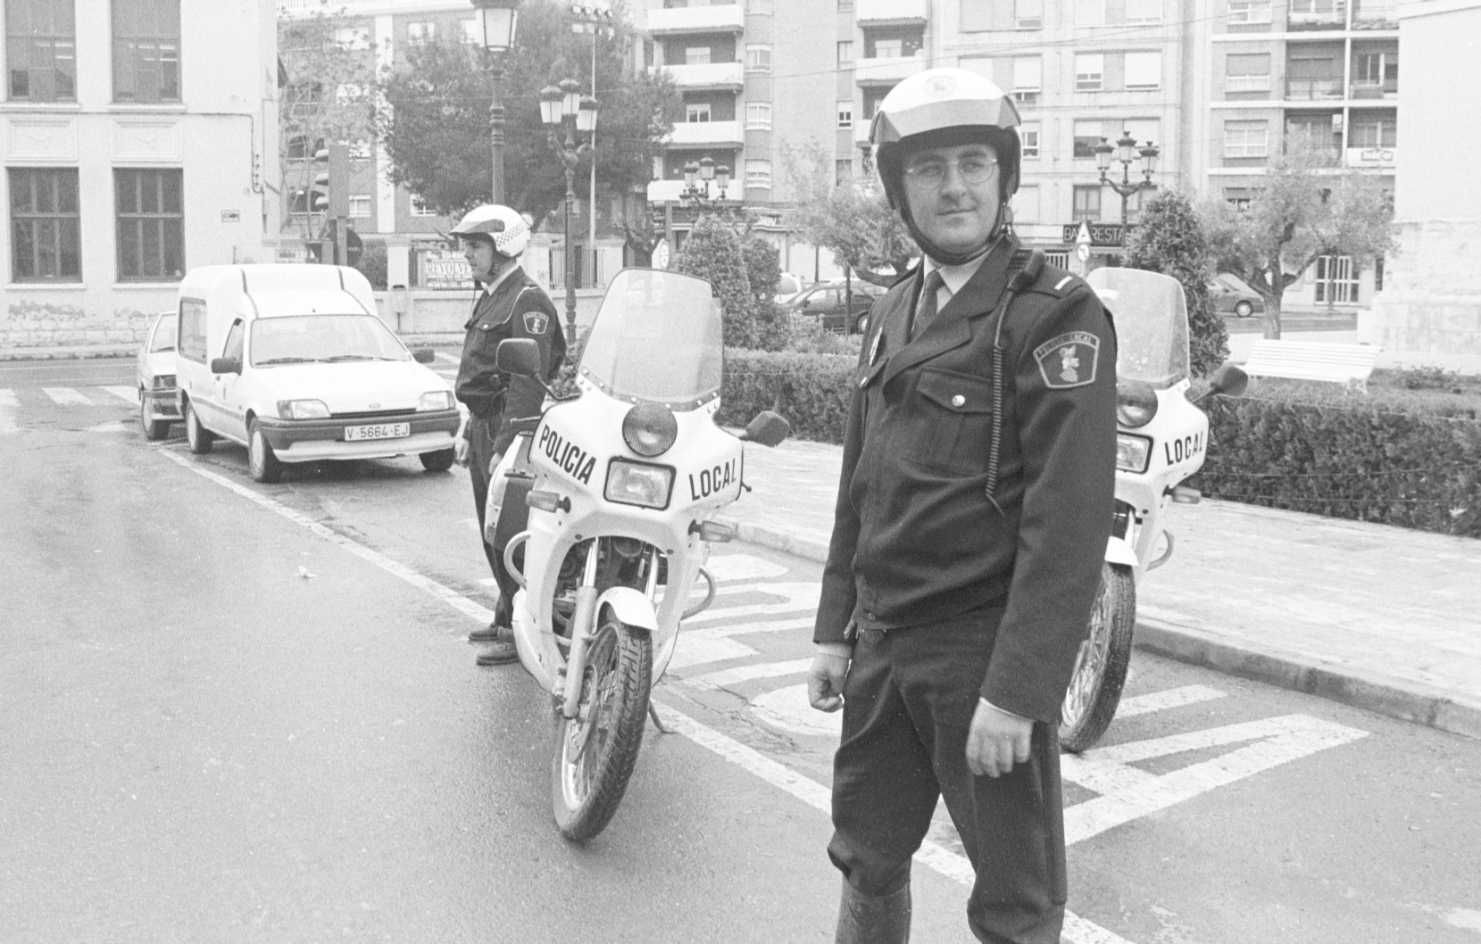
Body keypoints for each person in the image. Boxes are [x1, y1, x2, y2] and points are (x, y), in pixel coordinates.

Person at [806, 68, 1117, 943]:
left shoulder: (1053, 316)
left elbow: (1069, 523)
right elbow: (860, 484)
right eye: (929, 169)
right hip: (884, 642)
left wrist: (1017, 693)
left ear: (1003, 176)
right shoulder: (893, 309)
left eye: (973, 163)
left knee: (1013, 901)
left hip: (980, 652)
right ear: (898, 189)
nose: (954, 187)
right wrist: (835, 629)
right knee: (864, 853)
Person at [449, 204, 566, 667]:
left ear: (504, 246)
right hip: (483, 423)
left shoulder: (526, 300)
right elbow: (479, 373)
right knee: (490, 526)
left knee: (510, 531)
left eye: (476, 246)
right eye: (466, 247)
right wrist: (466, 429)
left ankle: (523, 630)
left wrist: (507, 446)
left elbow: (525, 381)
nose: (468, 256)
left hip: (507, 427)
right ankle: (505, 615)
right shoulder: (494, 294)